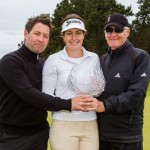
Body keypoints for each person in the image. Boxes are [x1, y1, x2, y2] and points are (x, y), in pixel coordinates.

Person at [0, 13, 94, 150]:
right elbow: (30, 95)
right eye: (37, 34)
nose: (41, 39)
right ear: (26, 33)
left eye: (45, 36)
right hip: (13, 137)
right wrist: (69, 104)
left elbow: (58, 89)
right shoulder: (11, 61)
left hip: (40, 134)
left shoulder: (44, 64)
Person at [42, 13, 105, 150]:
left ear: (84, 34)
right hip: (63, 125)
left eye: (78, 33)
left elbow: (97, 88)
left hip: (90, 124)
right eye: (69, 33)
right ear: (63, 36)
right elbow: (46, 98)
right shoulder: (53, 60)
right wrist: (69, 104)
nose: (74, 38)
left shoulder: (94, 58)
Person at [90, 13, 150, 150]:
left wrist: (105, 105)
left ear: (127, 32)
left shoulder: (140, 57)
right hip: (100, 135)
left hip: (127, 138)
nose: (113, 34)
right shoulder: (101, 60)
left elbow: (136, 94)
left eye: (118, 30)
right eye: (108, 30)